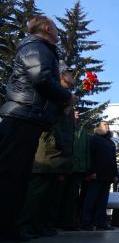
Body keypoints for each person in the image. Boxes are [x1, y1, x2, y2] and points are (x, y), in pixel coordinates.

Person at [0, 16, 78, 240]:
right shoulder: (36, 47)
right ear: (46, 28)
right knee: (10, 176)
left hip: (30, 117)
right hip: (21, 116)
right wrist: (66, 98)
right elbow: (41, 78)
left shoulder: (41, 48)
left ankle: (9, 228)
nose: (57, 32)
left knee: (18, 177)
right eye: (54, 27)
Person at [17, 66, 76, 239]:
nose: (73, 76)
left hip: (58, 152)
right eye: (70, 74)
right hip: (48, 151)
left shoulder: (65, 96)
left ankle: (41, 225)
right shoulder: (54, 94)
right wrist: (59, 143)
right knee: (37, 192)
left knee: (50, 194)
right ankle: (24, 225)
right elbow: (49, 120)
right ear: (61, 76)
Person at [81, 121, 118, 231]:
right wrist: (91, 172)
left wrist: (115, 174)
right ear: (98, 127)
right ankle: (86, 222)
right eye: (104, 124)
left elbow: (113, 160)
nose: (107, 126)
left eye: (108, 124)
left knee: (103, 201)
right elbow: (89, 156)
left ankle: (100, 222)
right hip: (96, 175)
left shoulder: (111, 142)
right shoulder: (94, 139)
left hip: (108, 176)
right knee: (91, 199)